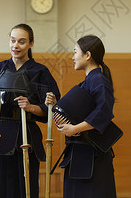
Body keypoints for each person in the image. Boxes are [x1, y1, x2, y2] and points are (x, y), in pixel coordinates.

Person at [0, 23, 60, 198]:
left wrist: (31, 107)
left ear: (31, 43)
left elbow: (50, 107)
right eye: (13, 40)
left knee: (24, 188)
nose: (16, 45)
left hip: (26, 135)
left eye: (22, 42)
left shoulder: (40, 71)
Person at [45, 35, 117, 198]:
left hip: (93, 156)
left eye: (75, 52)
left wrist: (75, 128)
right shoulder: (88, 82)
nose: (73, 56)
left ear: (88, 55)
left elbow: (103, 113)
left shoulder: (99, 81)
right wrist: (56, 105)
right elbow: (78, 112)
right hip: (78, 153)